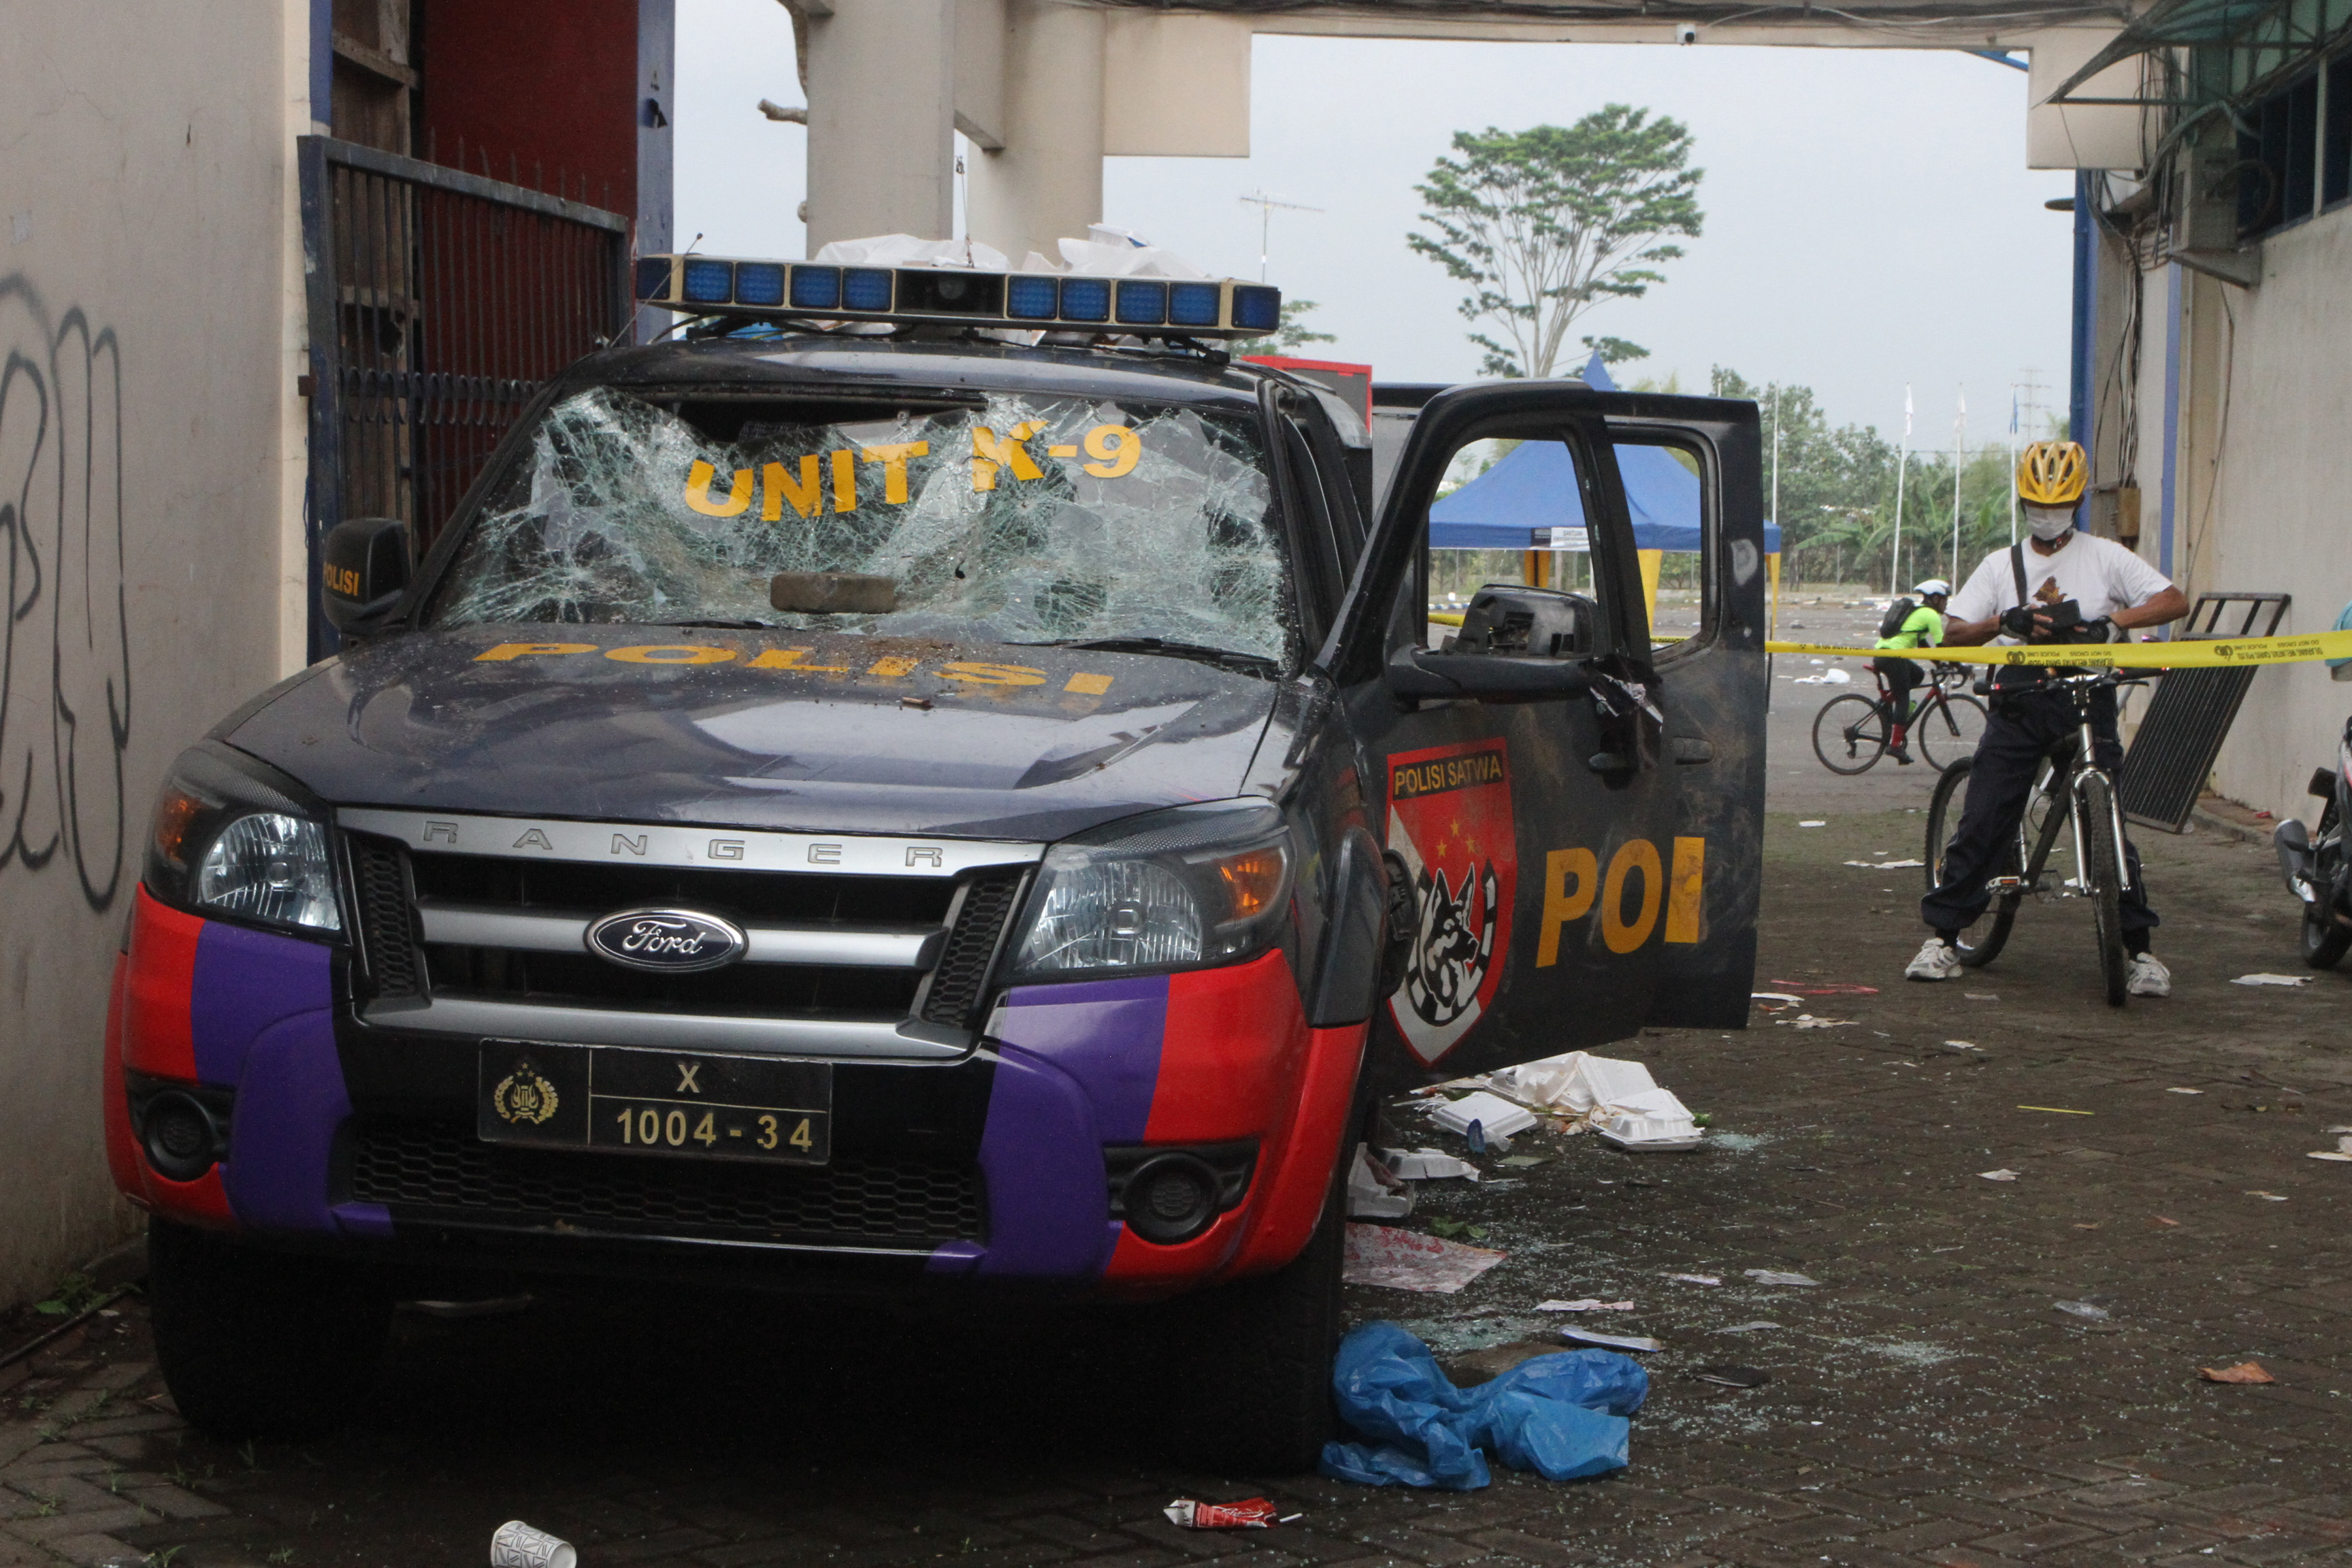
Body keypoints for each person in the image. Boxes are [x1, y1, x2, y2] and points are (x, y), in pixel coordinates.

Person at [1906, 440, 2189, 994]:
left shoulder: (2105, 556)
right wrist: (2003, 622)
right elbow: (1954, 632)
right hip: (2020, 703)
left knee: (2107, 823)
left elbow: (2174, 600)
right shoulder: (2000, 565)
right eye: (2036, 503)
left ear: (2078, 502)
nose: (2047, 514)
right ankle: (1942, 938)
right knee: (1986, 815)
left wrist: (2113, 624)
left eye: (2057, 504)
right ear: (2021, 501)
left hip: (2087, 698)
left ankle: (2139, 952)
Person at [1874, 578, 1950, 764]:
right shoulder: (1931, 615)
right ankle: (1895, 745)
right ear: (1936, 599)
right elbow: (1943, 646)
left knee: (1918, 675)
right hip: (1893, 657)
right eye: (1945, 600)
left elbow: (1923, 644)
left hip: (1883, 654)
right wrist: (1959, 666)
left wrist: (1940, 665)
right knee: (1904, 698)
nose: (1946, 604)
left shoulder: (1918, 612)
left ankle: (1886, 703)